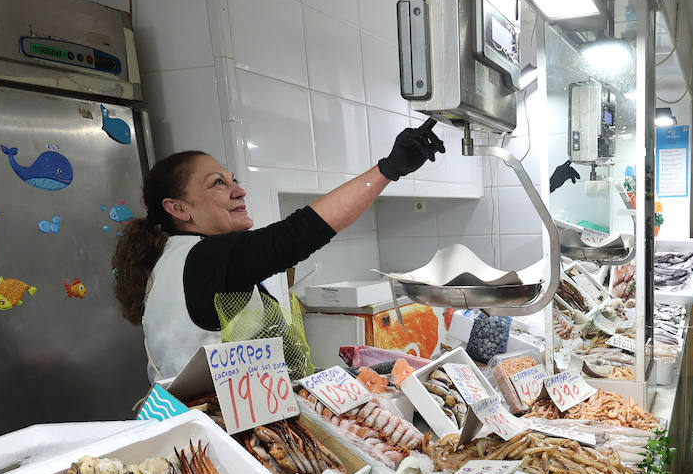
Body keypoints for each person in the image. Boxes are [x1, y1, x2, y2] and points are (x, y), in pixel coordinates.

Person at [113, 120, 446, 382]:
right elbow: (296, 234)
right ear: (178, 209)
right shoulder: (206, 257)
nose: (239, 191)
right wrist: (388, 169)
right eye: (218, 183)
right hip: (215, 431)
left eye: (233, 180)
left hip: (199, 422)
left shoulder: (174, 259)